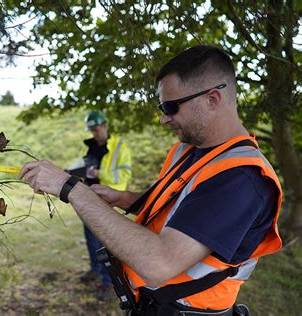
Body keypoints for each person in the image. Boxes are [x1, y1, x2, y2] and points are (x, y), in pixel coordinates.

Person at [20, 45, 282, 315]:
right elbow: (184, 211)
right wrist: (128, 200)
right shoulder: (193, 150)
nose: (163, 118)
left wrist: (71, 189)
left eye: (171, 107)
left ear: (212, 99)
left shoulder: (241, 178)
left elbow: (159, 264)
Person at [77, 111, 132, 299]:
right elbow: (86, 170)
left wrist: (99, 173)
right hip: (89, 198)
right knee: (91, 239)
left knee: (106, 243)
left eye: (97, 128)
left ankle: (110, 284)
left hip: (110, 200)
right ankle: (95, 271)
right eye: (92, 129)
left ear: (105, 125)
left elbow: (123, 175)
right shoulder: (90, 146)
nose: (95, 132)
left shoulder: (119, 146)